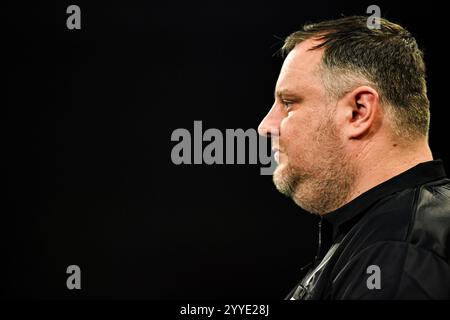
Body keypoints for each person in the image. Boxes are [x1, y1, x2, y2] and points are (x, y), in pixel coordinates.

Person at [258, 16, 450, 299]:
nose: (265, 126)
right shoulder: (391, 238)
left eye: (288, 103)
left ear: (359, 111)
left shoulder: (394, 257)